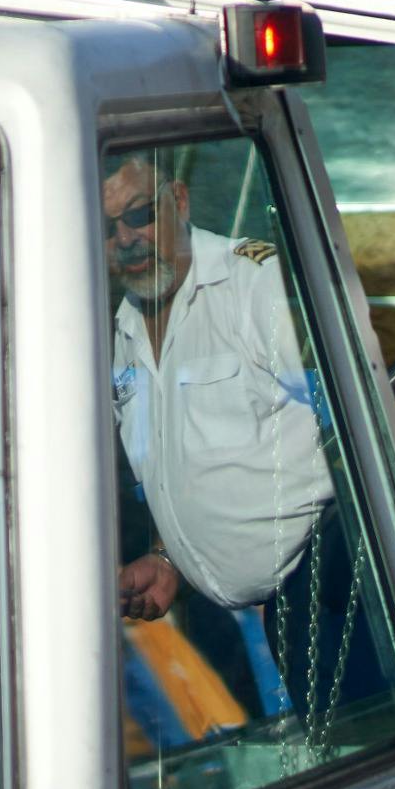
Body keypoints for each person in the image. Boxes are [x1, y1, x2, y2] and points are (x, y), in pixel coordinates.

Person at [105, 148, 335, 732]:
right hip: (220, 625)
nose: (127, 238)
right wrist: (167, 557)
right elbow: (173, 467)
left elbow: (352, 430)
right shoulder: (124, 328)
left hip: (320, 606)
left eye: (139, 215)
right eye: (107, 228)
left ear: (178, 201)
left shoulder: (256, 284)